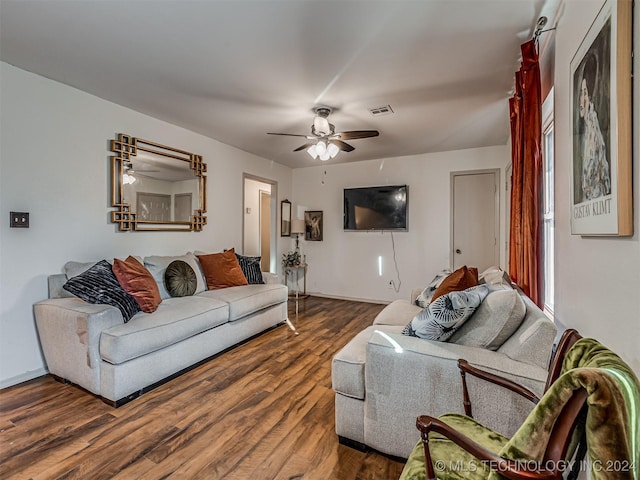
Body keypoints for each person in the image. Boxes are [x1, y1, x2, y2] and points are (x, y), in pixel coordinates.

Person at [579, 54, 610, 201]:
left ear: (590, 97)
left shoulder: (593, 132)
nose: (581, 100)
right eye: (581, 93)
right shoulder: (588, 128)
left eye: (585, 93)